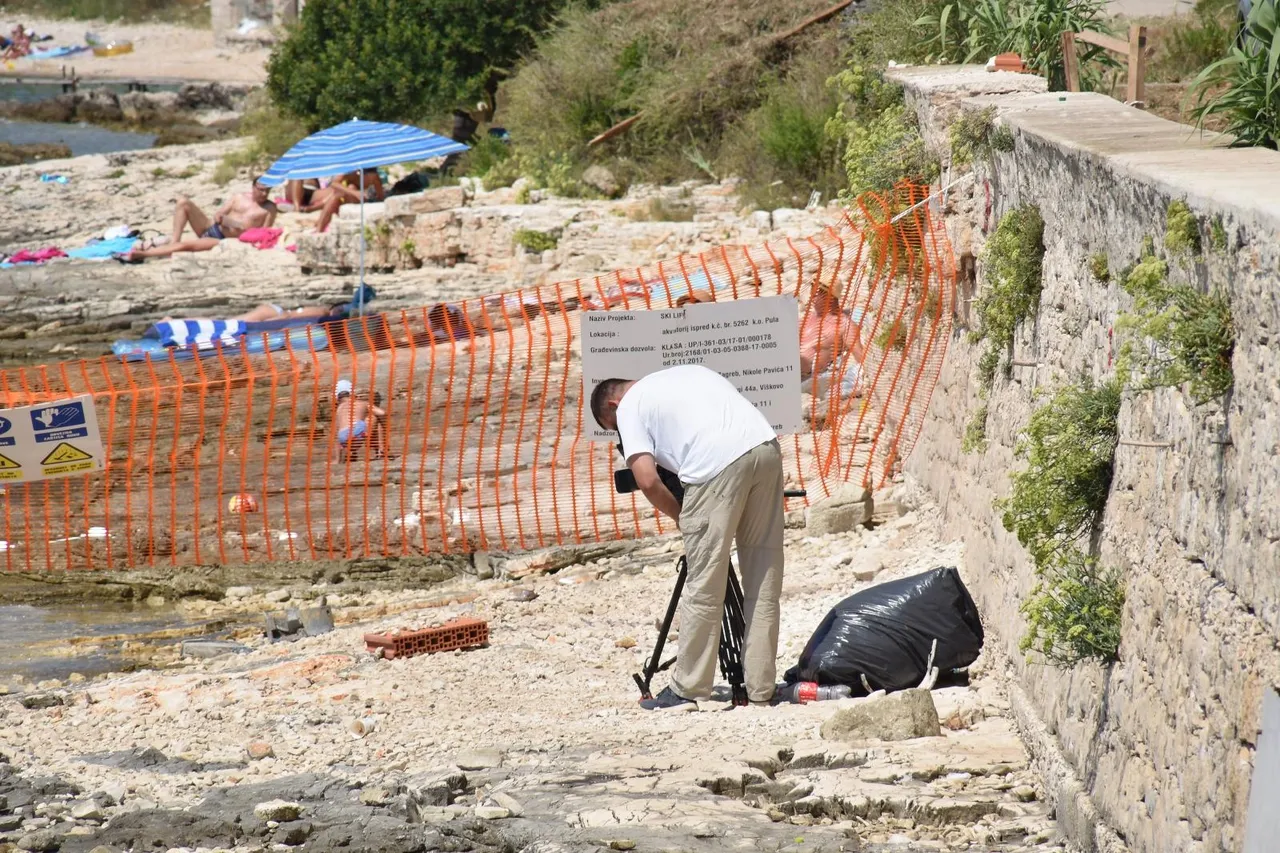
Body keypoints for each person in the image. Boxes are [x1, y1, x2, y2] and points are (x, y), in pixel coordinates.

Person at [591, 365, 785, 711]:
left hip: (714, 465)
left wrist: (684, 516)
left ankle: (688, 689)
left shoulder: (630, 406)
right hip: (765, 447)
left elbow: (648, 480)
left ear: (613, 406)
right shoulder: (689, 373)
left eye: (614, 431)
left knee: (705, 583)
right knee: (763, 578)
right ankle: (761, 688)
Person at [118, 179, 277, 262]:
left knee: (186, 246)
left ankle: (143, 254)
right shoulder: (239, 197)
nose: (264, 194)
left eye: (267, 191)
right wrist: (223, 218)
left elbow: (265, 233)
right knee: (183, 203)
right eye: (261, 190)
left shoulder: (269, 208)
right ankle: (173, 241)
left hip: (223, 240)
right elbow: (218, 214)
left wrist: (242, 229)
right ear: (253, 187)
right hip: (211, 227)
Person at [800, 276, 866, 398]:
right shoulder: (807, 319)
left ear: (829, 296)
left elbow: (861, 357)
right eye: (812, 290)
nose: (812, 295)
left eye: (816, 291)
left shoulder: (843, 324)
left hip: (809, 379)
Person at [313, 168, 385, 233]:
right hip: (351, 197)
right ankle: (319, 229)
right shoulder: (352, 172)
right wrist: (355, 193)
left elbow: (380, 196)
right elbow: (333, 183)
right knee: (338, 195)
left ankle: (319, 228)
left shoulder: (373, 176)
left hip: (363, 200)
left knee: (343, 193)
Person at [333, 380, 388, 462]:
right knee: (374, 418)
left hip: (343, 440)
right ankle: (382, 450)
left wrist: (337, 460)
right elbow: (383, 413)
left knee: (347, 428)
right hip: (356, 436)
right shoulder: (362, 403)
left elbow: (336, 434)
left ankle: (349, 453)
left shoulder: (339, 410)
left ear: (337, 398)